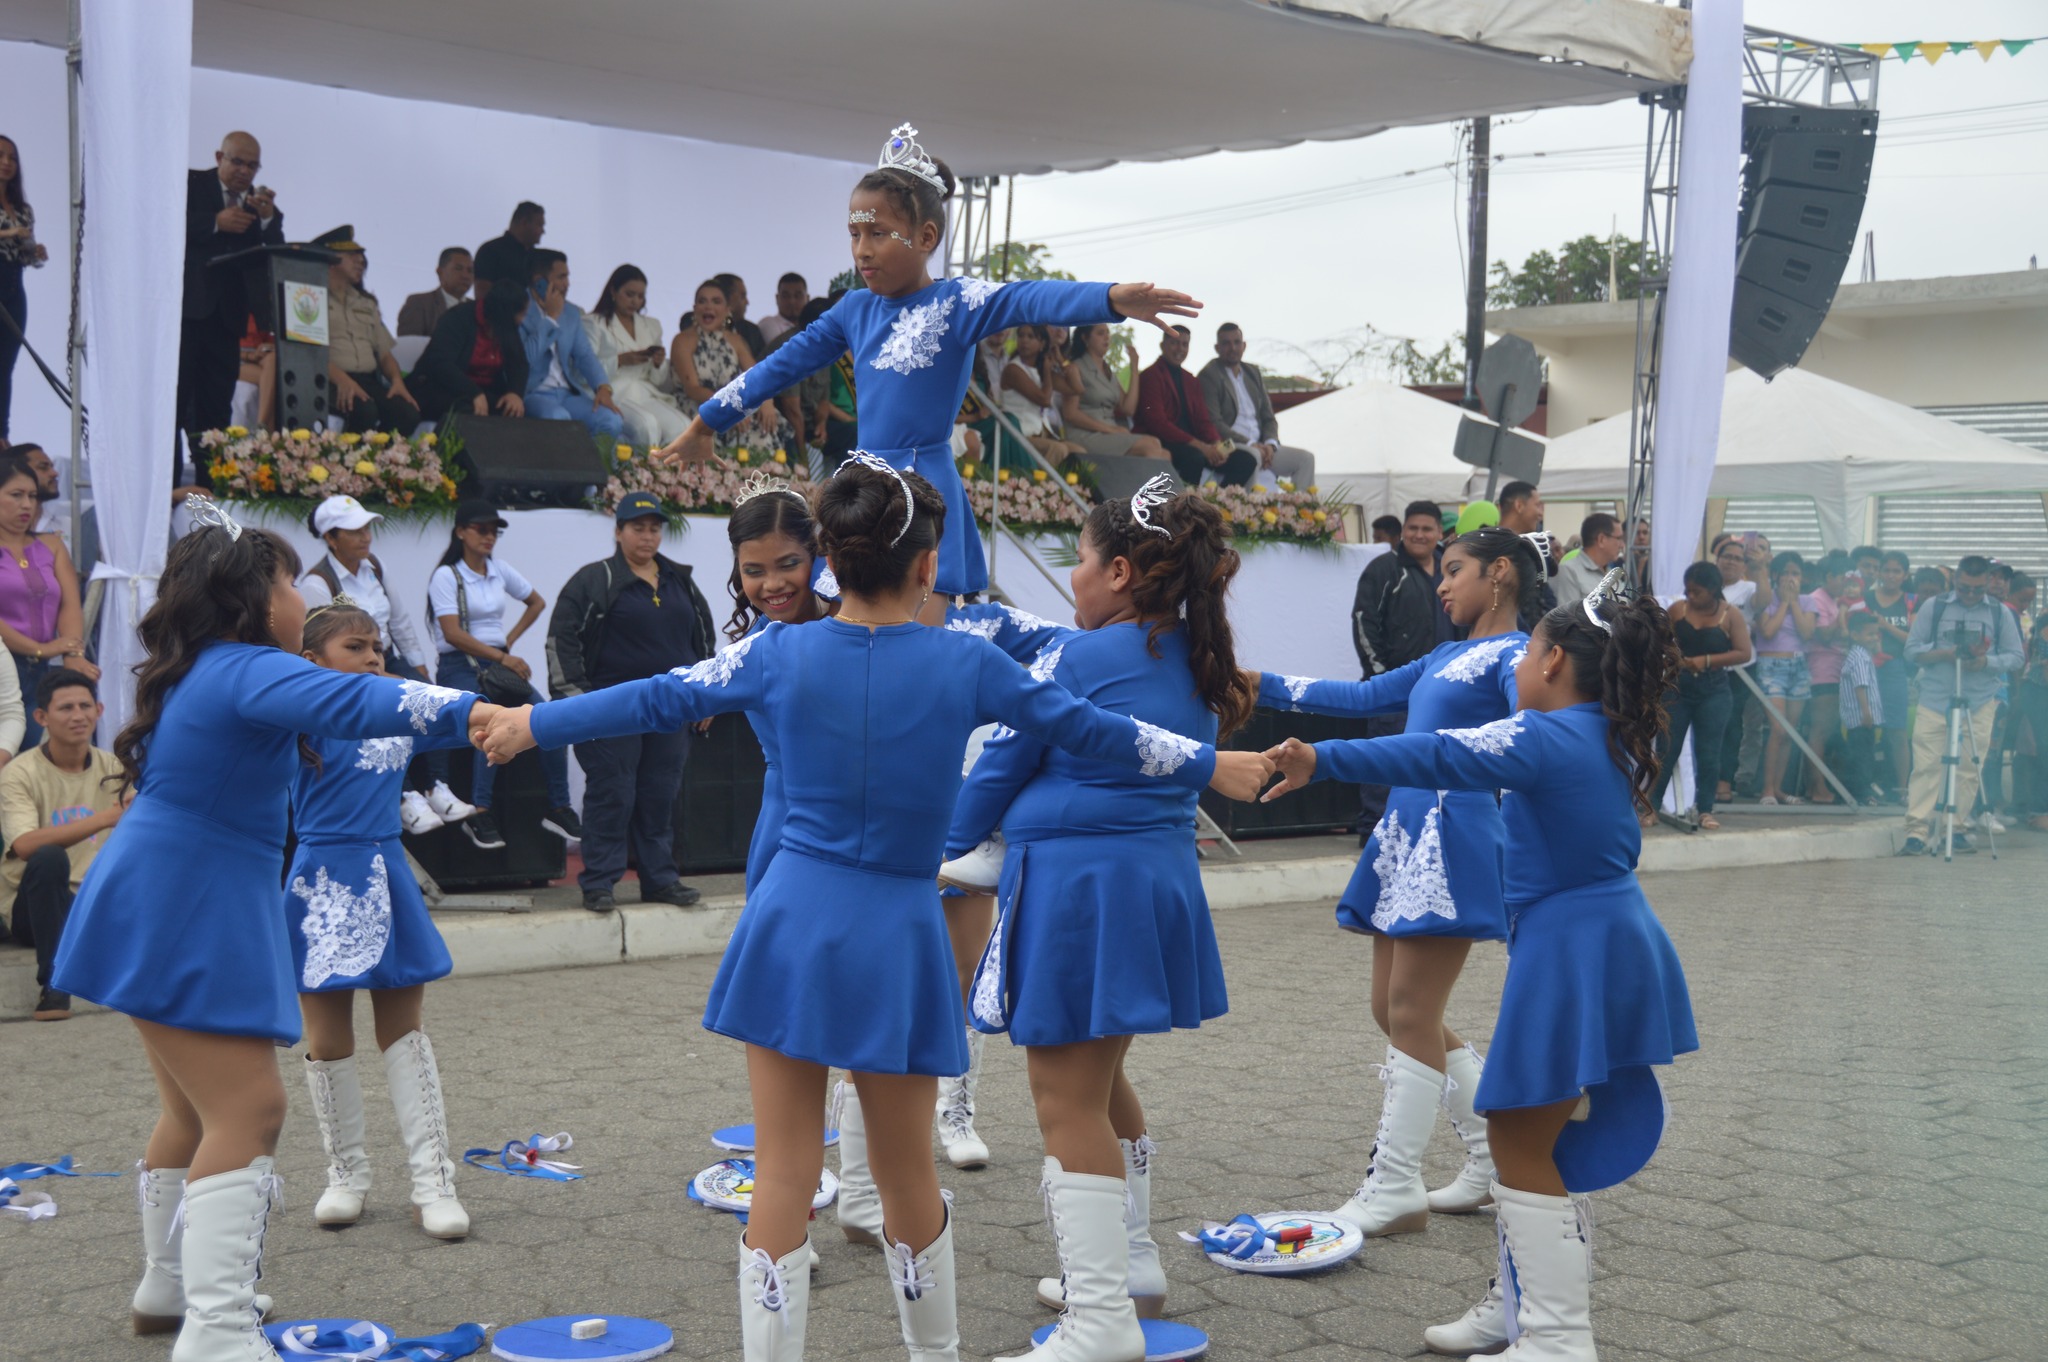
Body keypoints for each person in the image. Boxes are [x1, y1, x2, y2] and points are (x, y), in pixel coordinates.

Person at [477, 459, 1270, 1362]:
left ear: (829, 560)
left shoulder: (774, 653)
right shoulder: (969, 661)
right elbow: (1101, 733)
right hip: (897, 928)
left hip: (790, 920)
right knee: (907, 1174)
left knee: (783, 1169)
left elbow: (658, 696)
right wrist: (1213, 765)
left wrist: (531, 724)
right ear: (928, 566)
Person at [49, 502, 490, 1360]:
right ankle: (218, 1333)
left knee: (190, 1111)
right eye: (291, 583)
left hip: (169, 889)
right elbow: (358, 699)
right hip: (186, 895)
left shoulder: (212, 669)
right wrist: (481, 713)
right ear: (253, 598)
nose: (301, 596)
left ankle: (169, 1289)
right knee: (249, 1108)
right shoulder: (246, 666)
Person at [1261, 573, 1695, 1362]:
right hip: (1595, 939)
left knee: (1519, 1142)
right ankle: (1520, 1307)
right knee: (1543, 1142)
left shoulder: (1542, 736)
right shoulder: (1598, 730)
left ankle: (1556, 1339)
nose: (1518, 666)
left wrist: (1319, 758)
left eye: (1528, 654)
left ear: (1553, 661)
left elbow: (1435, 751)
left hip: (1573, 949)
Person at [939, 480, 1252, 1353]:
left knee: (1064, 1099)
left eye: (1078, 559)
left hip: (1080, 888)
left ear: (1119, 572)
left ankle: (1101, 1320)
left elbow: (1003, 759)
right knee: (1103, 1079)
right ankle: (1131, 1271)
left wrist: (947, 847)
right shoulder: (1196, 653)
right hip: (1151, 880)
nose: (1072, 576)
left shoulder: (1080, 658)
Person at [656, 122, 1200, 603]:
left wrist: (1109, 299)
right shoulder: (853, 310)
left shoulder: (957, 302)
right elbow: (779, 366)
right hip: (859, 489)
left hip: (924, 494)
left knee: (923, 634)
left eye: (877, 234)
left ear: (926, 237)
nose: (862, 250)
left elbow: (1028, 297)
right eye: (854, 234)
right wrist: (707, 422)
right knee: (846, 625)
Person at [1261, 526, 1543, 1237]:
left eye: (1455, 571)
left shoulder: (1516, 655)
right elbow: (1359, 697)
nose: (1440, 585)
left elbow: (1530, 733)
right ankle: (1490, 1155)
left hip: (1454, 829)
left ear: (1499, 574)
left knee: (1412, 1010)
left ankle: (1395, 1185)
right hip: (1407, 829)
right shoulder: (1444, 654)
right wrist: (1256, 683)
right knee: (1394, 1011)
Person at [287, 599, 482, 1240]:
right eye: (355, 647)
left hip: (386, 872)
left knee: (404, 1032)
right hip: (320, 883)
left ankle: (433, 1183)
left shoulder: (399, 710)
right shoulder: (292, 722)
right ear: (311, 662)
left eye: (377, 646)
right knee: (326, 1037)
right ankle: (345, 1175)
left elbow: (466, 713)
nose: (373, 657)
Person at [546, 492, 714, 912]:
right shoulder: (593, 580)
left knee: (660, 795)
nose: (647, 536)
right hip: (609, 711)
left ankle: (660, 880)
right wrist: (580, 707)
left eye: (654, 528)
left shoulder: (679, 580)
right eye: (638, 528)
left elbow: (704, 641)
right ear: (618, 531)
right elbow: (561, 644)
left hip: (670, 709)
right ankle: (599, 883)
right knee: (613, 794)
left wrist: (706, 696)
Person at [298, 493, 474, 835]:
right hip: (348, 668)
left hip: (384, 654)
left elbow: (401, 621)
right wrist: (383, 673)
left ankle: (436, 787)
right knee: (389, 711)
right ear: (331, 538)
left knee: (432, 698)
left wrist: (419, 668)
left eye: (367, 528)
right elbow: (319, 643)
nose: (366, 537)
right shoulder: (316, 583)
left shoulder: (376, 567)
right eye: (355, 531)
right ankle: (406, 796)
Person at [427, 501, 580, 850]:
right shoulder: (447, 575)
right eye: (481, 529)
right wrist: (502, 654)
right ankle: (481, 811)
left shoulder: (498, 570)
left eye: (494, 531)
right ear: (461, 532)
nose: (489, 537)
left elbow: (537, 602)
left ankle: (559, 807)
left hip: (496, 663)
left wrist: (506, 643)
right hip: (459, 664)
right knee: (489, 719)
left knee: (546, 716)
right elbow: (452, 633)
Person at [2, 668, 119, 1022]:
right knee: (49, 858)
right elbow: (25, 844)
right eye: (66, 708)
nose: (78, 716)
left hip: (91, 903)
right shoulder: (20, 773)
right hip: (32, 910)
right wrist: (105, 818)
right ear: (41, 717)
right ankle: (54, 986)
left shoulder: (113, 767)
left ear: (99, 711)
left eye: (85, 706)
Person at [1898, 555, 2025, 856]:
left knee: (1968, 767)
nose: (1970, 594)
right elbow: (1911, 651)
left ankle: (1954, 828)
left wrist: (1985, 662)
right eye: (1964, 588)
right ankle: (1917, 831)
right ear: (1955, 580)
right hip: (1935, 697)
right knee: (1926, 765)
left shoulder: (1999, 612)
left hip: (1979, 700)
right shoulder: (1935, 606)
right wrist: (1946, 653)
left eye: (1977, 589)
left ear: (1988, 582)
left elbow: (2016, 657)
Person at [1349, 501, 1447, 831]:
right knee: (1386, 760)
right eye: (1412, 528)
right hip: (1393, 691)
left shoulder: (1451, 569)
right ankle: (1373, 830)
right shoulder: (1383, 569)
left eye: (1427, 529)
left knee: (1431, 761)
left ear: (1439, 532)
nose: (1419, 535)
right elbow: (1363, 622)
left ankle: (1422, 828)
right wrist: (1382, 678)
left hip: (1440, 689)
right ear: (1403, 530)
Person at [179, 132, 284, 437]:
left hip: (229, 320)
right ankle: (170, 469)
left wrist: (266, 219)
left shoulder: (260, 204)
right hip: (187, 313)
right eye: (237, 162)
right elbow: (166, 223)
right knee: (177, 399)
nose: (244, 171)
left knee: (216, 409)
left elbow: (276, 251)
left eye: (252, 166)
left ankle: (208, 468)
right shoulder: (191, 184)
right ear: (219, 157)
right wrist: (215, 222)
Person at [1648, 562, 1753, 830]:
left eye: (1697, 592)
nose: (1690, 596)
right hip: (1678, 687)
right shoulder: (1678, 610)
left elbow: (1744, 652)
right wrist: (1672, 659)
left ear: (1713, 590)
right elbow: (1660, 643)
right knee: (1666, 749)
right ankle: (1651, 806)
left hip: (1714, 689)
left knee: (1708, 752)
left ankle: (1705, 809)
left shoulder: (1730, 615)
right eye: (1687, 591)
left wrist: (1706, 660)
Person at [0, 457, 95, 748]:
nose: (27, 505)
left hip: (41, 671)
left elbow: (69, 604)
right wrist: (40, 649)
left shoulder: (51, 544)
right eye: (16, 495)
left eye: (32, 496)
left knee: (39, 758)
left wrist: (73, 653)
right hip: (5, 666)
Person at [311, 227, 421, 437]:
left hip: (367, 379)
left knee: (407, 414)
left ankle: (384, 455)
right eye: (351, 255)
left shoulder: (366, 303)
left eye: (361, 256)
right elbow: (309, 352)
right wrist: (342, 380)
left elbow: (384, 354)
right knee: (364, 411)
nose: (360, 260)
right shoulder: (310, 299)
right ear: (330, 259)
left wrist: (397, 381)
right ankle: (349, 457)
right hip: (328, 378)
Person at [671, 278, 791, 458]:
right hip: (700, 405)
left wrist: (767, 402)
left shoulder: (735, 340)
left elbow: (756, 375)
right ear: (695, 308)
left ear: (727, 310)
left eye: (716, 301)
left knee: (766, 423)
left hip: (734, 404)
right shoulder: (682, 340)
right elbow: (692, 389)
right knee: (729, 427)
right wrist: (727, 407)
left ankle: (768, 471)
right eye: (702, 301)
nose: (708, 306)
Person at [1195, 322, 1316, 490]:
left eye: (1237, 342)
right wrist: (1251, 443)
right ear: (1217, 348)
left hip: (1261, 445)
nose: (1233, 348)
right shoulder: (1210, 375)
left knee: (1305, 459)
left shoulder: (1252, 372)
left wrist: (1270, 444)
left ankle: (1302, 506)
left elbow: (1269, 417)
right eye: (1226, 343)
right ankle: (1246, 505)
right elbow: (1215, 422)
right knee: (1252, 456)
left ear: (1244, 345)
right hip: (1226, 444)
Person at [518, 251, 624, 443]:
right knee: (559, 419)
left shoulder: (571, 312)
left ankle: (594, 464)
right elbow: (524, 359)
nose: (567, 284)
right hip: (532, 393)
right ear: (539, 281)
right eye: (561, 277)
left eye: (567, 277)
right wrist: (550, 318)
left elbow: (585, 355)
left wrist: (602, 387)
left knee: (611, 420)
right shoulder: (519, 307)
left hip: (566, 393)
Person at [1134, 324, 1254, 488]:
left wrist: (1216, 444)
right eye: (1174, 343)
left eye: (1185, 344)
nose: (1180, 349)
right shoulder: (1150, 376)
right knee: (1194, 457)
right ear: (1162, 345)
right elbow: (1158, 424)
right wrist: (1201, 446)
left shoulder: (1190, 380)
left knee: (1246, 459)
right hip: (1163, 441)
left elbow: (1203, 420)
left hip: (1195, 443)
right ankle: (1186, 502)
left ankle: (1218, 498)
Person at [583, 264, 689, 448]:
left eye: (640, 296)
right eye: (630, 294)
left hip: (644, 392)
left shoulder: (651, 326)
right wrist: (620, 360)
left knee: (682, 427)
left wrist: (657, 364)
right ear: (613, 291)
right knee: (646, 427)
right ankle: (638, 467)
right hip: (612, 391)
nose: (635, 301)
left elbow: (658, 380)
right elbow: (584, 368)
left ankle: (667, 468)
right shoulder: (593, 323)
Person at [406, 279, 530, 423]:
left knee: (512, 411)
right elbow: (440, 363)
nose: (522, 320)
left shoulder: (508, 329)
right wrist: (473, 392)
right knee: (469, 412)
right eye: (521, 314)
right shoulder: (457, 318)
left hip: (482, 391)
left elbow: (519, 364)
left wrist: (515, 393)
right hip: (442, 388)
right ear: (506, 314)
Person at [1059, 324, 1171, 465]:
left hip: (1109, 433)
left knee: (1165, 454)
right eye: (1100, 333)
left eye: (1108, 333)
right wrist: (1110, 429)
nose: (1106, 337)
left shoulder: (1108, 371)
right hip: (1086, 433)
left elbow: (1128, 408)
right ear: (1085, 338)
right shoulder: (1076, 367)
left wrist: (1134, 368)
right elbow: (1070, 413)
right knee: (1150, 445)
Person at [1755, 552, 1816, 806]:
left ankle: (1779, 788)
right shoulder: (1765, 599)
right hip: (1771, 666)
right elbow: (1768, 631)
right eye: (1786, 573)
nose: (1791, 579)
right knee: (1778, 729)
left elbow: (1806, 632)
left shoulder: (1808, 601)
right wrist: (1783, 603)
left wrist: (1793, 603)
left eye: (1796, 573)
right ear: (1775, 575)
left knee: (1790, 732)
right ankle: (1767, 789)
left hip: (1799, 666)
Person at [0, 133, 49, 443]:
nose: (7, 163)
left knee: (5, 365)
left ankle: (2, 435)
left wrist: (36, 253)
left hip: (13, 285)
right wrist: (8, 233)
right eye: (1, 156)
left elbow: (26, 255)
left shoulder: (23, 209)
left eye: (12, 158)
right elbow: (11, 236)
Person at [1797, 551, 1849, 803]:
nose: (1847, 584)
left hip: (1834, 669)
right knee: (1820, 730)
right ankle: (1817, 787)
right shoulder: (1817, 599)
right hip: (1823, 670)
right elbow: (1824, 635)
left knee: (1825, 731)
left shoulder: (1832, 599)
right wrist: (1842, 614)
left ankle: (1814, 786)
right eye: (1843, 578)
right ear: (1830, 576)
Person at [993, 325, 1085, 464]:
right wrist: (1047, 371)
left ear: (1042, 344)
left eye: (1030, 337)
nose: (1024, 340)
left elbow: (1077, 389)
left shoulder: (1040, 371)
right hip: (1018, 433)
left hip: (1041, 434)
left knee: (1079, 451)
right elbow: (1044, 400)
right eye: (1021, 336)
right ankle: (1036, 479)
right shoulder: (1013, 369)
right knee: (1058, 449)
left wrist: (1062, 361)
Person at [1863, 550, 1913, 800]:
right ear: (1879, 572)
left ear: (1905, 575)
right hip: (1865, 667)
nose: (1891, 575)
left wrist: (1885, 626)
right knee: (1865, 728)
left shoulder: (1911, 601)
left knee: (1897, 730)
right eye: (1887, 570)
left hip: (1895, 668)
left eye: (1897, 571)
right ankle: (1866, 784)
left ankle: (1903, 788)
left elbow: (1912, 639)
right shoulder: (1865, 597)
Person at [1837, 610, 1884, 804]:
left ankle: (1861, 792)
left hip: (1860, 718)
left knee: (1862, 755)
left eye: (1876, 634)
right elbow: (1860, 685)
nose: (1874, 638)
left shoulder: (1861, 654)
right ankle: (1861, 794)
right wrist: (1866, 712)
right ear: (1855, 635)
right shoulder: (1859, 657)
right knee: (1862, 757)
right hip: (1860, 718)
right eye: (1869, 634)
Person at [396, 246, 474, 339]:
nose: (465, 275)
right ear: (440, 272)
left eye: (470, 271)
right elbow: (409, 344)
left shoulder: (478, 309)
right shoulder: (420, 303)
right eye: (458, 268)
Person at [472, 201, 543, 299]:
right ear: (524, 222)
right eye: (539, 225)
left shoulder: (539, 259)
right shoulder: (490, 251)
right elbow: (482, 294)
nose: (543, 231)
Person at [1554, 511, 1623, 603]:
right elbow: (1568, 611)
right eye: (1618, 538)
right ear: (1601, 540)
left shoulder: (1613, 575)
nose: (1622, 545)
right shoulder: (1569, 571)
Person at [713, 272, 772, 362]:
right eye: (743, 296)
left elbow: (760, 366)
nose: (747, 302)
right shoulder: (694, 327)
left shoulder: (752, 331)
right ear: (727, 297)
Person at [758, 271, 810, 347]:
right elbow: (782, 348)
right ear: (777, 298)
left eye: (797, 296)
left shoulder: (813, 323)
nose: (792, 301)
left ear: (807, 298)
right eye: (786, 296)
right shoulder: (768, 323)